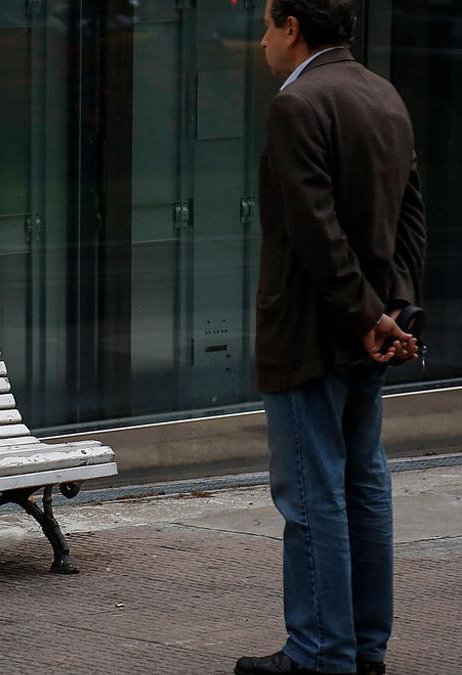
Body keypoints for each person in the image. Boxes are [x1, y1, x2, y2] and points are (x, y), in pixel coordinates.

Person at [236, 1, 427, 674]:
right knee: (363, 482)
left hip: (313, 333)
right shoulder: (382, 93)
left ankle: (320, 651)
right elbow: (411, 211)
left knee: (314, 493)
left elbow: (314, 230)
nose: (261, 41)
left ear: (292, 27)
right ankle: (363, 644)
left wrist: (363, 312)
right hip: (370, 328)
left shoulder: (299, 104)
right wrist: (394, 309)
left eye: (265, 25)